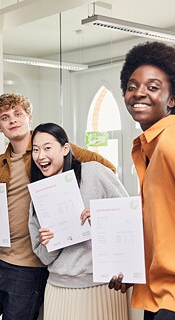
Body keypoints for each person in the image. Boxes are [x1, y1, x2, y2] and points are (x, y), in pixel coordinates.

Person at [0, 92, 117, 320]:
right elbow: (0, 208)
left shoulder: (50, 147)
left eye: (18, 114)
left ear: (29, 118)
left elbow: (106, 170)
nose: (12, 120)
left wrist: (86, 210)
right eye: (5, 117)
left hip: (31, 264)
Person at [28, 122, 128, 320]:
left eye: (47, 148)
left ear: (65, 149)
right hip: (58, 289)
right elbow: (43, 257)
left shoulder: (94, 172)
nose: (41, 156)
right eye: (36, 150)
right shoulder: (39, 195)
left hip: (101, 287)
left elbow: (129, 217)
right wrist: (50, 242)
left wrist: (102, 218)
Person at [109, 41, 175, 320]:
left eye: (152, 87)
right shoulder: (148, 147)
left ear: (172, 99)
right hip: (158, 295)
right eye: (132, 86)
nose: (139, 94)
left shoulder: (171, 142)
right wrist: (133, 266)